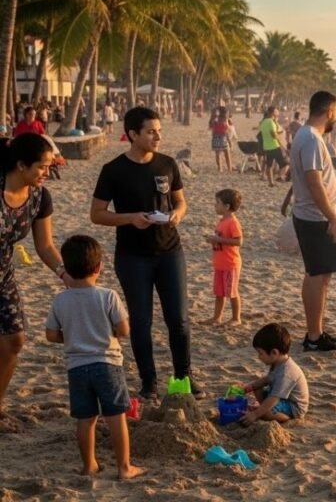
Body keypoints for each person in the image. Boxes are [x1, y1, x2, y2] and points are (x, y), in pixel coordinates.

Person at [90, 106, 203, 401]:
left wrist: (177, 214)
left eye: (159, 130)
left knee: (178, 319)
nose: (157, 136)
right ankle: (149, 381)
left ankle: (183, 377)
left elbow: (180, 202)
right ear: (132, 134)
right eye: (151, 131)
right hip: (132, 256)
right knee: (141, 321)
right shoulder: (113, 170)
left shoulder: (167, 164)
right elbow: (97, 214)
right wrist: (130, 218)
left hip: (170, 251)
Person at [44, 235, 144, 479]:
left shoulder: (61, 299)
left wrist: (73, 338)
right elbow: (123, 330)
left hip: (76, 367)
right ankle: (124, 467)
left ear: (65, 268)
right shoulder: (108, 296)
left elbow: (50, 335)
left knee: (85, 418)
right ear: (99, 267)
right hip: (107, 364)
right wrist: (110, 333)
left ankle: (89, 465)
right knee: (116, 417)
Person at [0, 134, 68, 432]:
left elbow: (45, 246)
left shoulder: (40, 197)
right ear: (21, 165)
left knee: (15, 341)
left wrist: (68, 276)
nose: (47, 172)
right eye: (42, 167)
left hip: (3, 276)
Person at [290, 90, 336, 352]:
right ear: (329, 112)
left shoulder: (306, 136)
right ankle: (314, 336)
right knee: (317, 276)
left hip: (310, 215)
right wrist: (334, 219)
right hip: (315, 218)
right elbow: (313, 183)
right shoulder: (312, 139)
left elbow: (317, 178)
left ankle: (316, 331)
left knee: (317, 274)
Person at [239, 323, 309, 425]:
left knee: (265, 414)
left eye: (260, 353)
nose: (259, 357)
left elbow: (274, 398)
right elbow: (267, 379)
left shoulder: (286, 373)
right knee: (257, 387)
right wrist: (248, 387)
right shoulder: (278, 363)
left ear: (274, 352)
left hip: (293, 406)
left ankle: (285, 417)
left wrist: (255, 414)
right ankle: (264, 409)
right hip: (281, 396)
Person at [202, 189, 244, 326]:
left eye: (217, 203)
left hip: (230, 263)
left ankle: (236, 318)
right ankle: (216, 317)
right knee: (219, 292)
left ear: (226, 206)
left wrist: (219, 240)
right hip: (220, 263)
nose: (215, 205)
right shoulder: (222, 221)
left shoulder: (233, 222)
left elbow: (238, 241)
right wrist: (213, 239)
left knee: (232, 292)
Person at [260, 107, 288, 187]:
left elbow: (266, 133)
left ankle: (271, 182)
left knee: (269, 165)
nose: (278, 112)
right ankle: (280, 176)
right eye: (276, 111)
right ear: (272, 112)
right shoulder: (271, 122)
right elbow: (273, 135)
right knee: (286, 163)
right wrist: (282, 145)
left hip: (267, 146)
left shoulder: (264, 122)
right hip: (275, 146)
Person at [210, 106, 233, 173]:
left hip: (216, 137)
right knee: (227, 153)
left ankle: (220, 168)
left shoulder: (215, 119)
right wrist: (230, 141)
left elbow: (212, 128)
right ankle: (229, 168)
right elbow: (226, 131)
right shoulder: (225, 120)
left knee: (218, 154)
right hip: (223, 137)